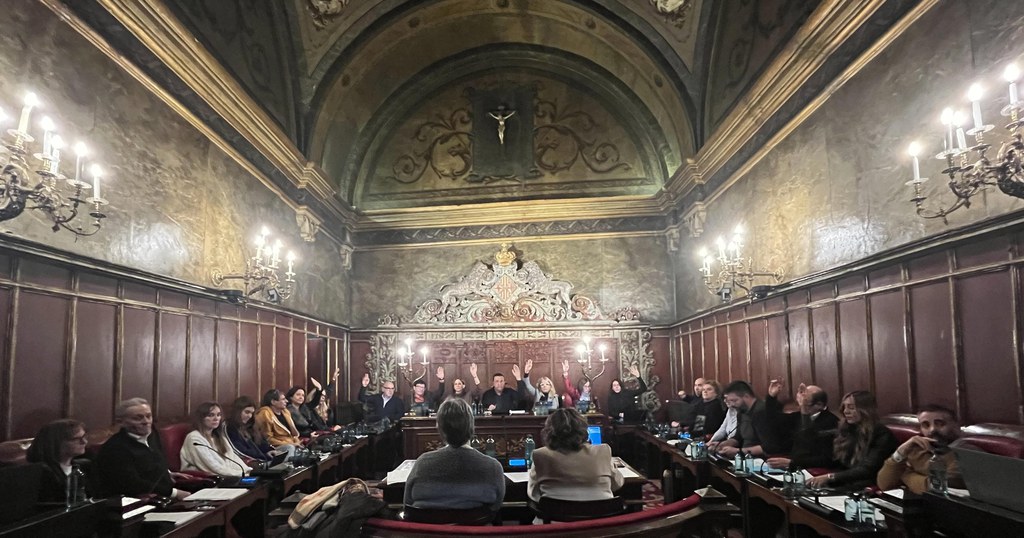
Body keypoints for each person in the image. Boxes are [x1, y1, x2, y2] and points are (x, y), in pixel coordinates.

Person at [403, 398, 505, 511]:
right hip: (475, 522)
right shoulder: (493, 467)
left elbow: (408, 505)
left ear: (439, 427)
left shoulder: (422, 464)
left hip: (429, 523)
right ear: (471, 426)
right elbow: (496, 508)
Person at [96, 398, 190, 500]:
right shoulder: (115, 448)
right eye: (138, 418)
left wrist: (167, 473)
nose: (146, 422)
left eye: (149, 416)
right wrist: (174, 493)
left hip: (164, 492)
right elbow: (133, 483)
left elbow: (153, 461)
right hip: (139, 500)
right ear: (120, 422)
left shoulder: (153, 434)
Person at [877, 404, 977, 494]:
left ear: (956, 425)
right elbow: (884, 484)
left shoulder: (968, 453)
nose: (932, 429)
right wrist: (900, 452)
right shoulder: (916, 449)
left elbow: (939, 488)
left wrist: (904, 474)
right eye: (926, 425)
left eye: (940, 424)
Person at [806, 391, 898, 489]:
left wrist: (830, 477)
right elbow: (830, 458)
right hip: (847, 481)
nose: (846, 411)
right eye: (844, 407)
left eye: (851, 407)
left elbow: (867, 470)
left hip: (867, 485)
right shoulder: (848, 429)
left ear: (865, 409)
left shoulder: (881, 434)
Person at [528, 408, 624, 501]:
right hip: (601, 511)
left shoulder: (540, 455)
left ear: (549, 432)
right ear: (583, 429)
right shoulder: (602, 451)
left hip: (555, 511)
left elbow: (533, 493)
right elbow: (617, 483)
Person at [766, 381, 839, 470]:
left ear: (819, 405)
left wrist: (792, 463)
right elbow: (774, 421)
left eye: (806, 399)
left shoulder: (831, 422)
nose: (801, 399)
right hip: (796, 467)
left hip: (818, 470)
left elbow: (826, 459)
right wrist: (771, 397)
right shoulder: (798, 416)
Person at [712, 380, 789, 457]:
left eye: (734, 400)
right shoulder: (741, 412)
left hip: (760, 460)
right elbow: (738, 437)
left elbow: (769, 447)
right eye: (730, 401)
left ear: (746, 396)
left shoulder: (762, 412)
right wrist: (722, 444)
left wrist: (738, 451)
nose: (732, 404)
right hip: (745, 457)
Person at [26, 419, 96, 502]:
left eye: (84, 437)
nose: (84, 442)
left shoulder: (83, 466)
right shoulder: (41, 472)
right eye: (76, 439)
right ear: (56, 443)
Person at [179, 402, 251, 477]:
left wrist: (247, 470)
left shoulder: (219, 437)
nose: (216, 418)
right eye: (211, 415)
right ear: (201, 418)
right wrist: (242, 474)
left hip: (228, 476)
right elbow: (212, 467)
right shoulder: (194, 438)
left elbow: (233, 458)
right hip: (207, 479)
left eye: (218, 415)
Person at [225, 396, 292, 462]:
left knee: (289, 448)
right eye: (247, 412)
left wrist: (270, 451)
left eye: (251, 413)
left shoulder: (250, 425)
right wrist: (264, 457)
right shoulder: (230, 427)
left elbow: (261, 443)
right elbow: (239, 451)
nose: (250, 416)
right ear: (237, 411)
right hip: (253, 462)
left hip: (263, 457)